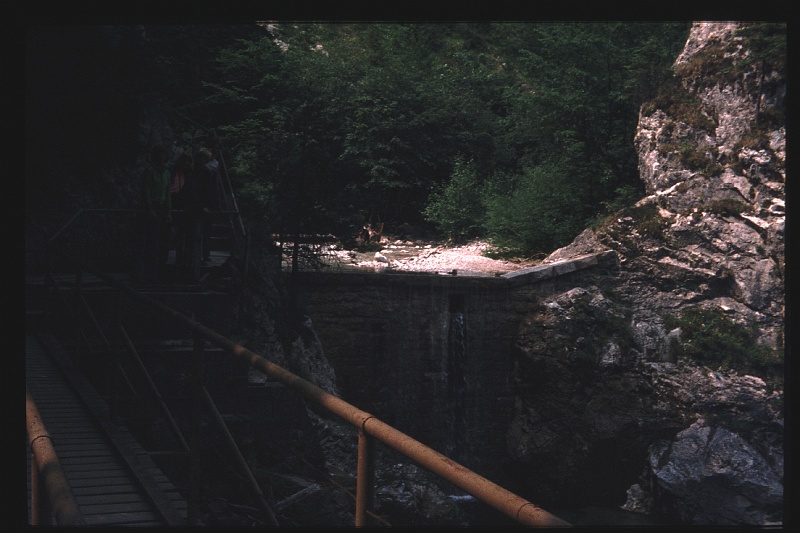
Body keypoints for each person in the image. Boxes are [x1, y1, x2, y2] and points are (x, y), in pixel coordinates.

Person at [139, 144, 172, 282]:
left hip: (162, 207)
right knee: (151, 241)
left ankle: (159, 271)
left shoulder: (166, 172)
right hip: (152, 207)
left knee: (162, 241)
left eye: (163, 154)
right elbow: (145, 190)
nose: (161, 157)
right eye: (159, 154)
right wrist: (149, 208)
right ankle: (147, 272)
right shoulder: (149, 171)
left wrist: (169, 211)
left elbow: (168, 192)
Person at [170, 150, 199, 282]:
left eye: (189, 161)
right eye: (185, 160)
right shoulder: (173, 173)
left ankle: (185, 269)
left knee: (186, 240)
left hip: (187, 210)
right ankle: (178, 269)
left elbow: (191, 192)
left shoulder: (189, 175)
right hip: (174, 207)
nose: (187, 163)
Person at [195, 148, 223, 264]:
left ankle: (204, 255)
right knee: (203, 231)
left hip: (207, 204)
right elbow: (202, 190)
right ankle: (202, 255)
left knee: (206, 231)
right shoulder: (203, 171)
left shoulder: (205, 170)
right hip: (204, 205)